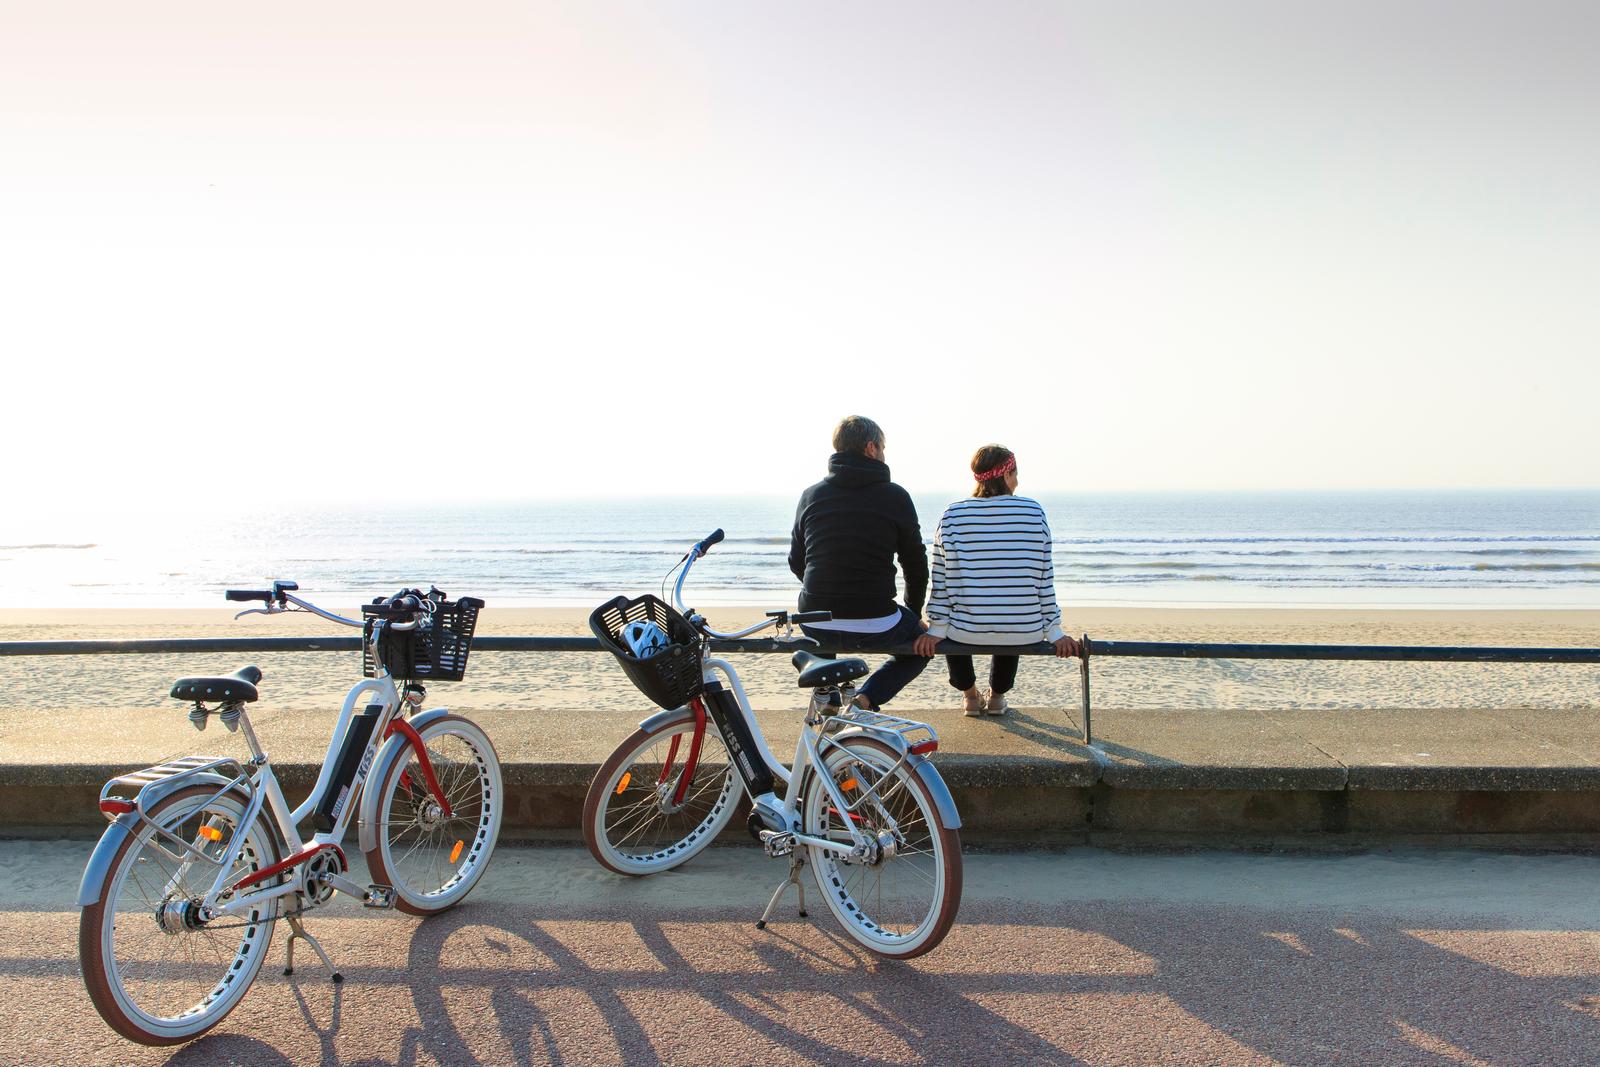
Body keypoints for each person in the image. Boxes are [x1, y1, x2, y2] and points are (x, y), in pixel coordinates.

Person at [914, 444, 1080, 716]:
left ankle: (970, 697)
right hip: (1023, 630)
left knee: (961, 617)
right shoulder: (1033, 511)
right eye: (1015, 474)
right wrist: (1055, 631)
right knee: (1009, 609)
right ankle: (997, 698)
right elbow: (1043, 577)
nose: (1018, 481)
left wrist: (936, 628)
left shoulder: (952, 514)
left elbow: (941, 578)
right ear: (1005, 476)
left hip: (965, 631)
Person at [789, 415, 930, 710]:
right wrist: (914, 613)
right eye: (883, 447)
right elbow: (916, 567)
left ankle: (826, 692)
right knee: (922, 647)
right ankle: (865, 699)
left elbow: (797, 561)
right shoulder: (896, 496)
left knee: (823, 617)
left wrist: (827, 589)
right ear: (871, 448)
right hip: (876, 621)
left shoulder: (811, 495)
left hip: (815, 620)